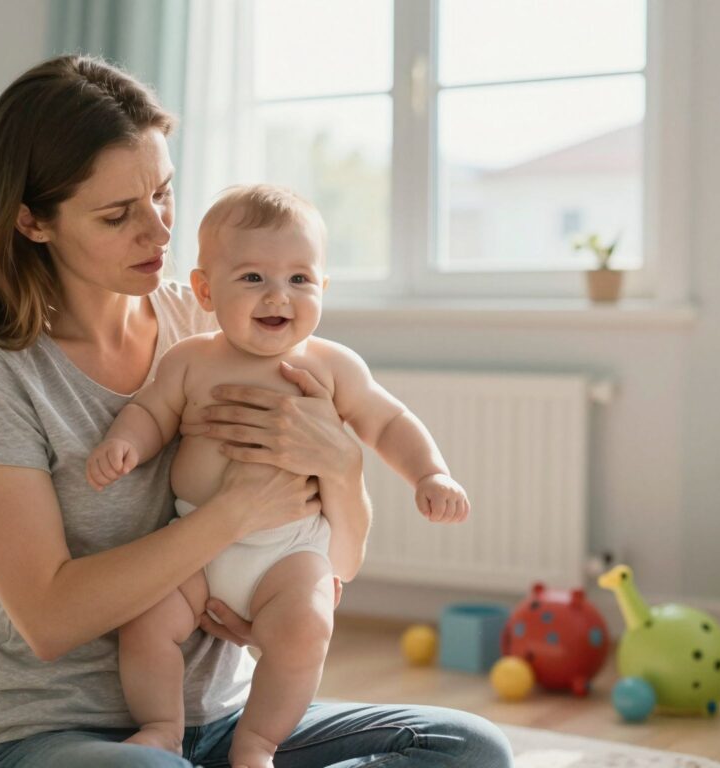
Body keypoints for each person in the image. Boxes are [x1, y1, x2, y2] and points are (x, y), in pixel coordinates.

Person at [0, 54, 513, 768]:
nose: (159, 232)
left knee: (468, 749)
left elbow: (337, 561)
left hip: (227, 723)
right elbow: (49, 619)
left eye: (163, 195)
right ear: (33, 222)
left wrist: (343, 471)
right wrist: (230, 515)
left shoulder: (212, 317)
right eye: (117, 215)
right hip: (59, 736)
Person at [86, 184, 471, 768]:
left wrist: (430, 474)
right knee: (147, 619)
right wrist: (124, 445)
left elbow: (389, 421)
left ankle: (258, 744)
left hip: (288, 554)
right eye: (252, 279)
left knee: (306, 628)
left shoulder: (333, 365)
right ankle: (164, 727)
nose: (278, 297)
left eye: (299, 279)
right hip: (194, 545)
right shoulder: (190, 359)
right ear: (205, 290)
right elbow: (150, 412)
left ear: (323, 288)